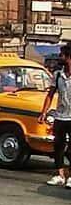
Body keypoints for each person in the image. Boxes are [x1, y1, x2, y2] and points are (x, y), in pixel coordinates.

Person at [41, 43, 71, 186]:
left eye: (63, 55)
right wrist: (44, 112)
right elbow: (50, 95)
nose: (60, 57)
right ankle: (60, 174)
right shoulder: (58, 75)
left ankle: (70, 176)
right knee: (58, 146)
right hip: (60, 116)